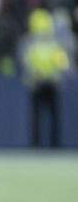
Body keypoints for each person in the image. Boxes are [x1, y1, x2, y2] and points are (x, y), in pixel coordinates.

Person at [21, 8, 69, 148]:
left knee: (48, 116)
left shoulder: (36, 43)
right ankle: (40, 144)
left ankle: (50, 144)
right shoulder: (45, 43)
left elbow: (61, 62)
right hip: (40, 82)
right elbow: (28, 62)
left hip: (49, 82)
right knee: (40, 116)